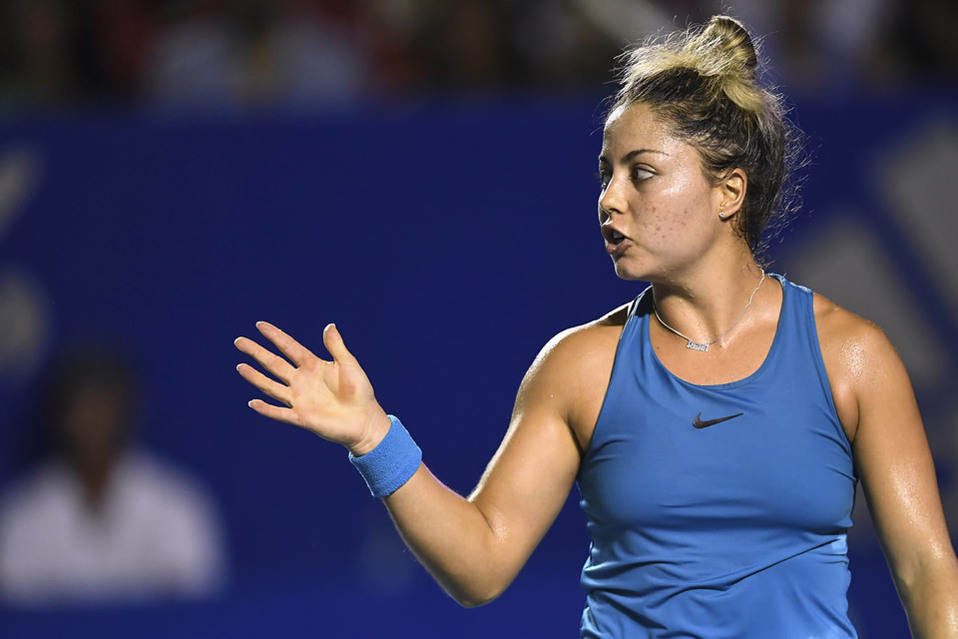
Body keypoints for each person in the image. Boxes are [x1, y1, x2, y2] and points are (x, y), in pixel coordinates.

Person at [234, 15, 958, 637]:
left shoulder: (851, 357)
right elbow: (481, 562)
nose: (610, 199)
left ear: (728, 190)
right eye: (604, 174)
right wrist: (374, 437)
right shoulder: (579, 366)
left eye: (641, 172)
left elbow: (928, 568)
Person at [0, 344, 227, 605]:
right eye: (81, 405)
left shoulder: (177, 507)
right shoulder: (22, 516)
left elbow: (200, 617)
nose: (94, 419)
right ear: (60, 415)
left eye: (104, 403)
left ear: (126, 410)